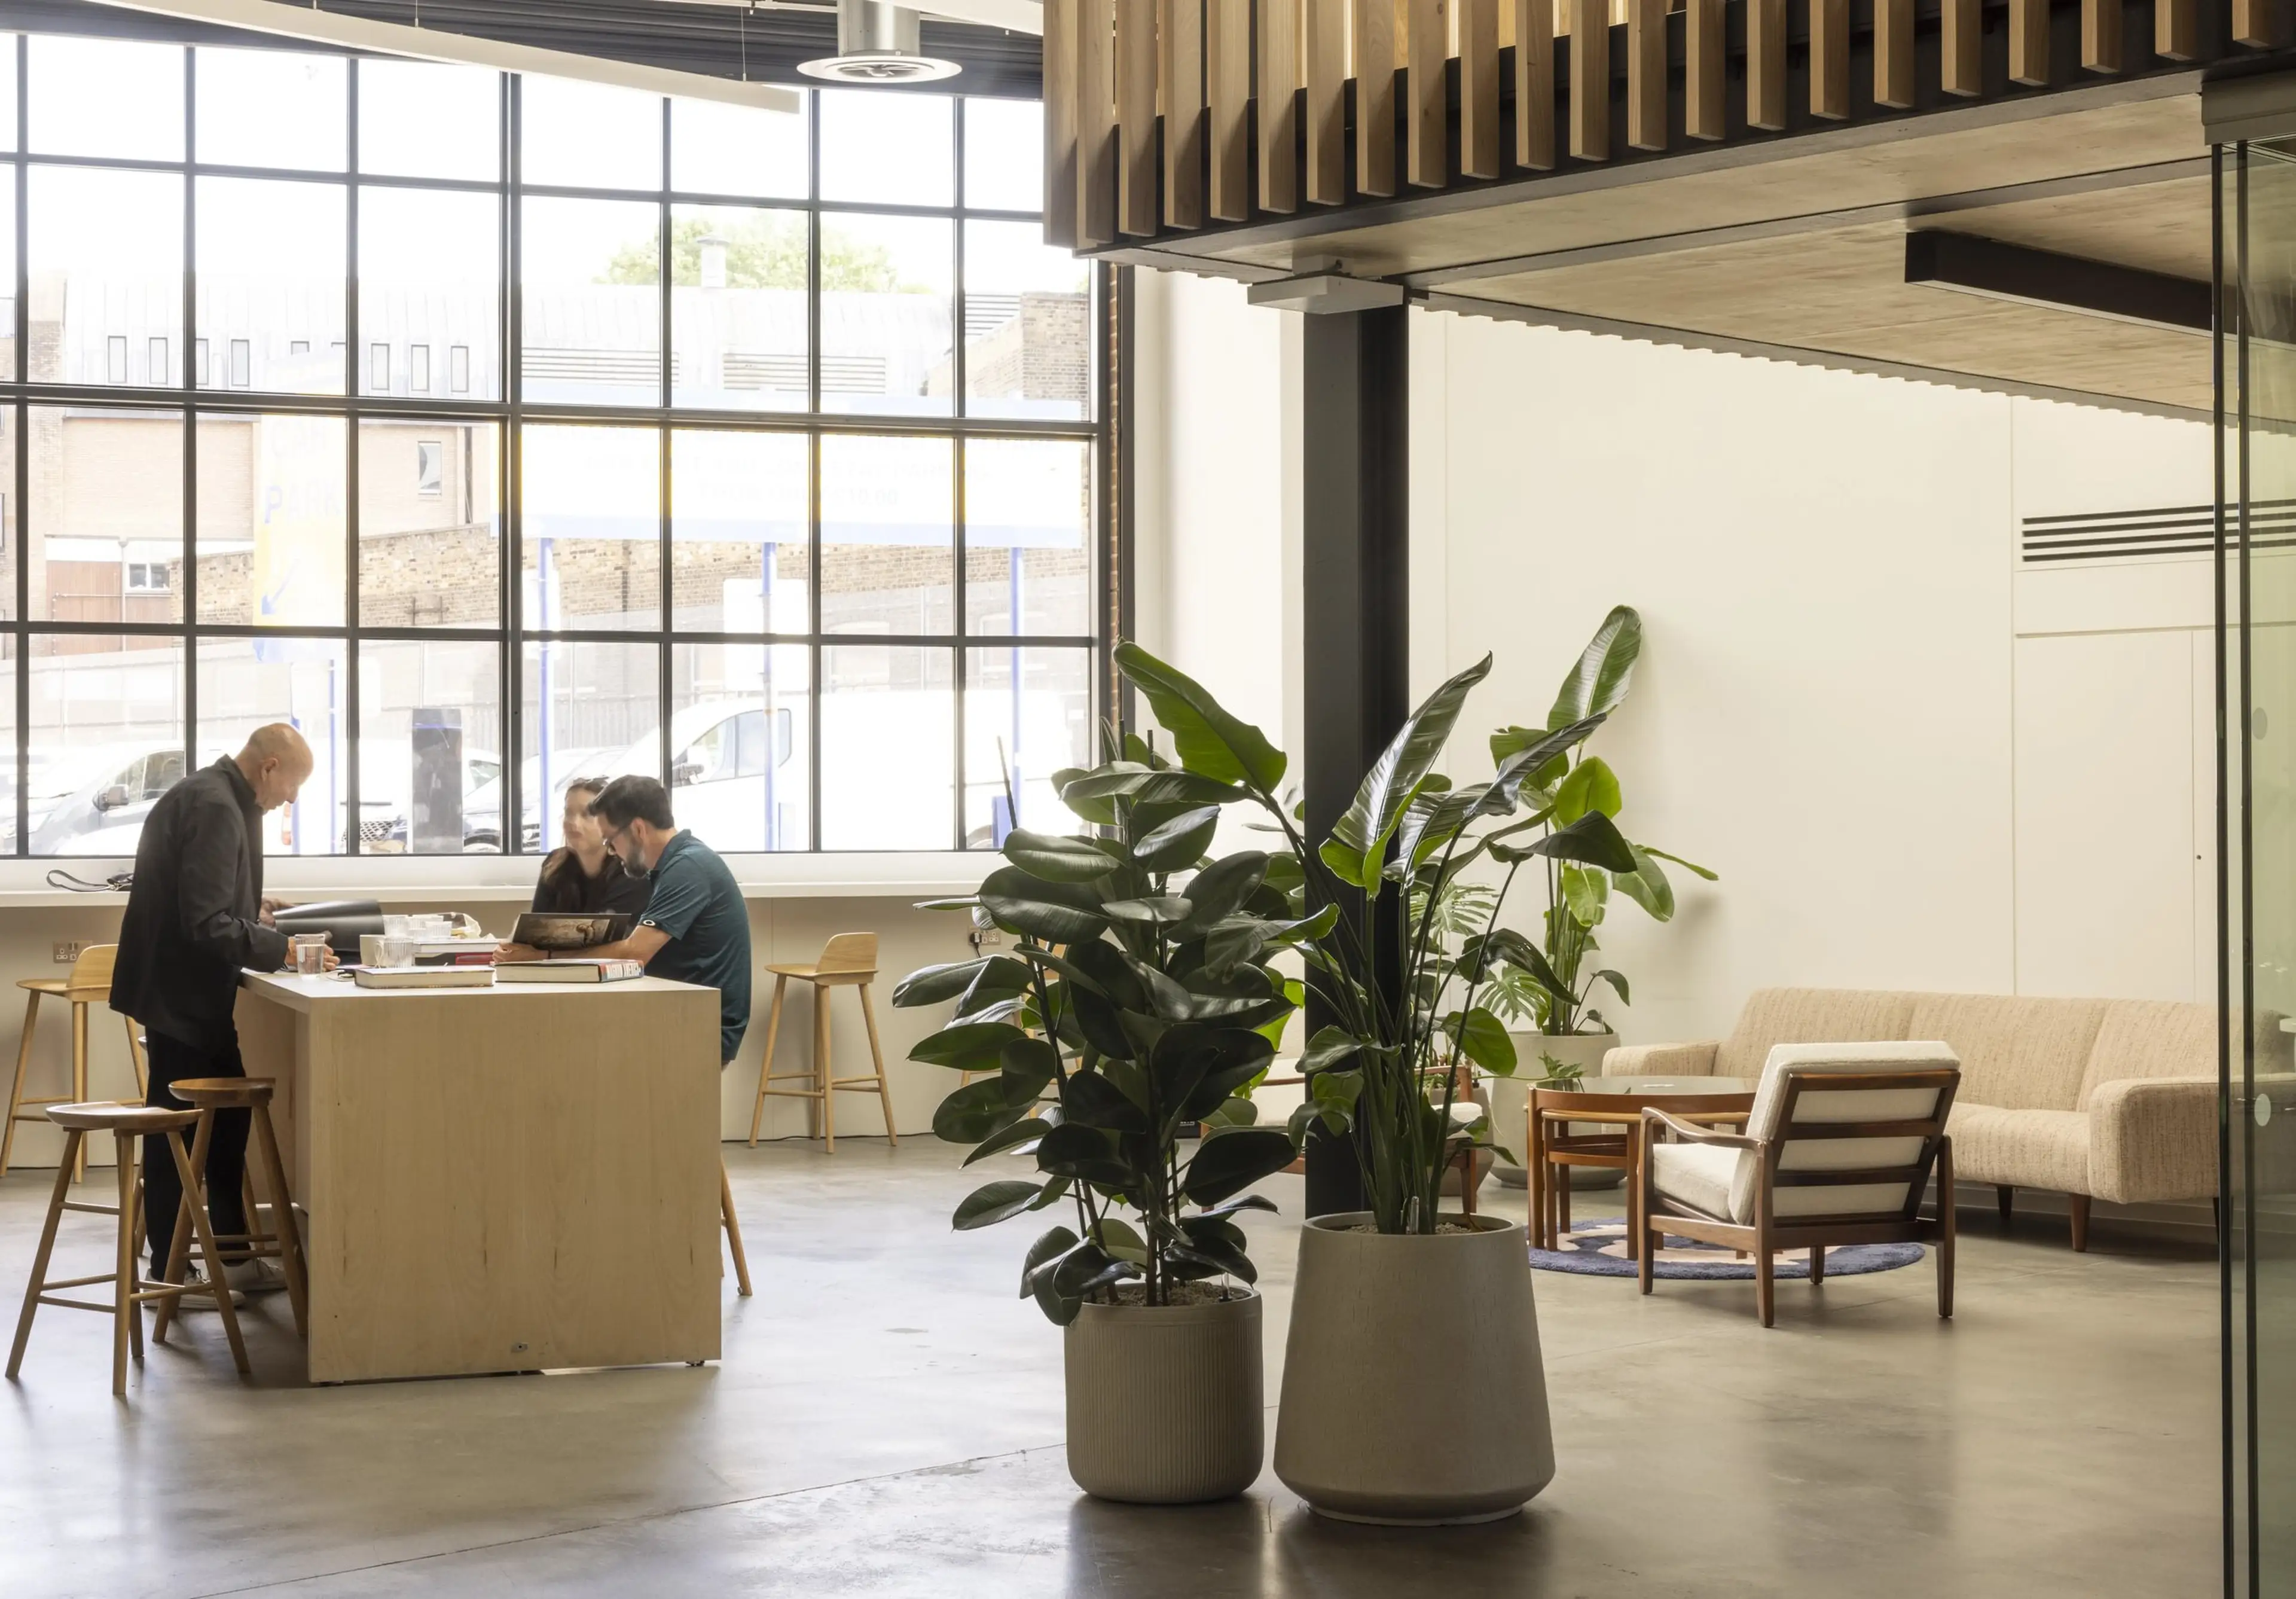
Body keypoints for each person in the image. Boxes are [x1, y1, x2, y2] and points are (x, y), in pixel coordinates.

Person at [109, 724, 333, 1298]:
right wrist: (281, 948)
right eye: (293, 784)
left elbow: (201, 899)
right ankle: (171, 1271)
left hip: (179, 992)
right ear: (270, 766)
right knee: (179, 1133)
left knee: (226, 1121)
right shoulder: (216, 806)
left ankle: (229, 1256)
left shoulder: (213, 795)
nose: (293, 798)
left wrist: (249, 906)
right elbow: (205, 924)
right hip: (180, 996)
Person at [498, 775, 750, 1066]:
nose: (612, 851)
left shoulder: (687, 868)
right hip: (677, 1010)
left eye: (611, 840)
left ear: (638, 829)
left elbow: (635, 953)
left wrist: (545, 956)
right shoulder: (674, 865)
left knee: (560, 1047)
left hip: (699, 1025)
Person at [527, 777, 652, 918]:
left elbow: (606, 935)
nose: (573, 823)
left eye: (586, 814)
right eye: (569, 813)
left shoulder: (630, 871)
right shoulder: (554, 864)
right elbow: (536, 928)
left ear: (609, 822)